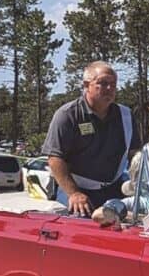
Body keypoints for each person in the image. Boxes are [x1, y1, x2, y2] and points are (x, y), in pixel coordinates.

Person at [42, 61, 139, 216]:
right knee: (80, 225)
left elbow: (135, 154)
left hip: (114, 188)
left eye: (113, 84)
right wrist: (74, 194)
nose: (109, 88)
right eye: (103, 83)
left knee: (135, 223)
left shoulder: (125, 116)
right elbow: (55, 158)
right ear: (86, 85)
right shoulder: (68, 115)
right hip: (75, 189)